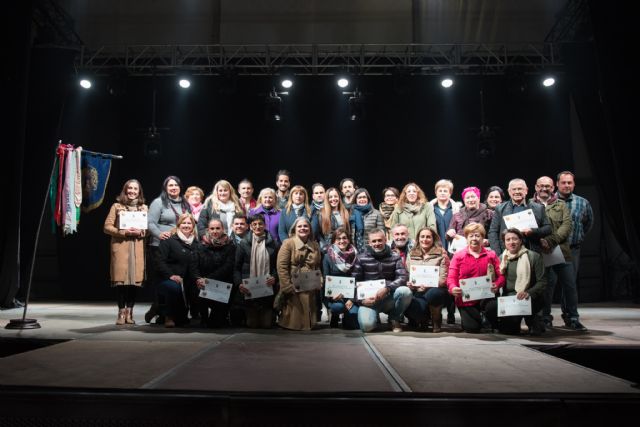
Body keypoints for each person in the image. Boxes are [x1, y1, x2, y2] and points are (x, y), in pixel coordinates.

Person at [533, 176, 586, 331]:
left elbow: (567, 225)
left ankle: (573, 318)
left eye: (548, 186)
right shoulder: (530, 205)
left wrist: (551, 241)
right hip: (539, 253)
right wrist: (541, 241)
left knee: (569, 285)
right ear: (536, 187)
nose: (544, 188)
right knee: (546, 287)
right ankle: (545, 318)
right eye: (541, 185)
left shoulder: (561, 204)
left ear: (553, 187)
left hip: (561, 251)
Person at [145, 175, 191, 323]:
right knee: (163, 280)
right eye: (170, 185)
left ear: (180, 187)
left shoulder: (185, 203)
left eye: (176, 185)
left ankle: (161, 309)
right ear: (165, 188)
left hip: (179, 248)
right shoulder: (158, 203)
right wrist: (159, 234)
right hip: (160, 246)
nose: (173, 188)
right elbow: (150, 223)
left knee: (176, 282)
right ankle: (161, 312)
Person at [484, 228, 547, 335]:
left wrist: (528, 293)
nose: (511, 242)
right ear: (504, 242)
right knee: (492, 310)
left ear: (521, 240)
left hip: (529, 297)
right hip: (509, 300)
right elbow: (498, 280)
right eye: (508, 240)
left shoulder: (534, 256)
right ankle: (508, 323)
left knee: (537, 331)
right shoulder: (501, 259)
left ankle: (533, 319)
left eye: (515, 239)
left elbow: (542, 281)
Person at [103, 179, 147, 325]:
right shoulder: (117, 206)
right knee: (121, 282)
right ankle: (121, 313)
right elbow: (107, 227)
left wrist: (142, 231)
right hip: (121, 248)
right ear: (125, 190)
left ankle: (130, 312)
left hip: (137, 249)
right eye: (130, 188)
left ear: (139, 192)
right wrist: (123, 232)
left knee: (134, 282)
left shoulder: (144, 208)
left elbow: (147, 230)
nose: (132, 191)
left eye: (135, 189)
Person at [447, 223, 505, 333]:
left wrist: (497, 285)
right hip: (466, 299)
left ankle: (489, 318)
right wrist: (453, 288)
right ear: (466, 238)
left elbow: (501, 276)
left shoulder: (491, 255)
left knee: (493, 307)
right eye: (471, 236)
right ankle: (481, 320)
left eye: (478, 236)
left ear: (483, 238)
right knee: (472, 328)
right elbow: (451, 277)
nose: (474, 239)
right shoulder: (458, 256)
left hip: (486, 296)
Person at [352, 229, 412, 333]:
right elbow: (353, 283)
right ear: (369, 243)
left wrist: (387, 288)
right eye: (374, 241)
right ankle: (373, 317)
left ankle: (394, 318)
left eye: (380, 240)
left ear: (385, 240)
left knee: (405, 292)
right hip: (369, 300)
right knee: (367, 327)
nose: (377, 243)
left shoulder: (395, 257)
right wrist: (361, 301)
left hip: (388, 297)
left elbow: (402, 277)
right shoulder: (361, 258)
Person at [276, 217, 322, 330]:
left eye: (306, 226)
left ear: (310, 229)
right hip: (294, 285)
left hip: (310, 284)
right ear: (294, 229)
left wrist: (319, 280)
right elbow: (281, 266)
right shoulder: (288, 243)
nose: (303, 228)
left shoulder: (315, 245)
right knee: (295, 319)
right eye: (300, 226)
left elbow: (317, 265)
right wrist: (286, 285)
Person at [235, 214, 279, 328]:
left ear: (265, 225)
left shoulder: (273, 243)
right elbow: (237, 267)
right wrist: (239, 283)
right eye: (254, 224)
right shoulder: (243, 244)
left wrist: (274, 277)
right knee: (252, 325)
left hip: (267, 288)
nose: (258, 226)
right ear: (250, 226)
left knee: (266, 325)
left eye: (260, 224)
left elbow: (277, 266)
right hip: (249, 288)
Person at [155, 213, 199, 327]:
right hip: (169, 279)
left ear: (193, 226)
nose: (186, 225)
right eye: (183, 223)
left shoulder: (196, 244)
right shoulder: (169, 240)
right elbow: (160, 261)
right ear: (179, 225)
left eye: (189, 223)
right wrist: (171, 275)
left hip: (188, 280)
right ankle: (167, 316)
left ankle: (195, 315)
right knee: (174, 287)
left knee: (182, 320)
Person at [488, 178, 552, 255]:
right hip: (507, 253)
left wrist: (533, 231)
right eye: (514, 189)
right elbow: (493, 232)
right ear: (509, 191)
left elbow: (548, 228)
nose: (517, 192)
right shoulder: (500, 209)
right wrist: (498, 254)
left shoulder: (539, 208)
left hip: (531, 252)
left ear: (526, 190)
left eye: (520, 189)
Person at [404, 227, 450, 332]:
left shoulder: (442, 254)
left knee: (434, 294)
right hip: (417, 289)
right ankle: (423, 319)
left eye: (428, 237)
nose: (425, 239)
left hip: (436, 289)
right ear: (418, 239)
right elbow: (407, 273)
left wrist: (429, 285)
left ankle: (436, 320)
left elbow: (444, 278)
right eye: (422, 237)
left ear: (433, 239)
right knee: (412, 305)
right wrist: (410, 283)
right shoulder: (411, 254)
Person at [192, 218, 236, 328]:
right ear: (208, 230)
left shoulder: (230, 246)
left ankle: (221, 315)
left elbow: (227, 267)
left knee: (216, 324)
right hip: (202, 282)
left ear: (223, 229)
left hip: (222, 283)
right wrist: (198, 278)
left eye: (218, 228)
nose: (215, 231)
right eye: (212, 228)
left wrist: (208, 279)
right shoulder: (200, 246)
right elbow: (194, 266)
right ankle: (203, 317)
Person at [556, 171, 594, 283]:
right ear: (557, 184)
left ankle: (567, 302)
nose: (567, 185)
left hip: (573, 249)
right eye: (563, 182)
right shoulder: (549, 201)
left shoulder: (583, 202)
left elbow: (588, 223)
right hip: (553, 249)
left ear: (574, 184)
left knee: (570, 282)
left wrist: (578, 236)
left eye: (569, 182)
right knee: (551, 283)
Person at [322, 228, 359, 329]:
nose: (342, 241)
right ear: (334, 241)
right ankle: (335, 314)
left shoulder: (356, 256)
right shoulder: (327, 257)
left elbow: (358, 279)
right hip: (334, 296)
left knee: (352, 326)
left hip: (351, 295)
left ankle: (346, 318)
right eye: (338, 238)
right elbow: (325, 279)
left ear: (349, 240)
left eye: (344, 238)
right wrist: (331, 295)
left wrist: (352, 299)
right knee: (338, 307)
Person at [447, 186, 494, 251]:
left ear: (479, 198)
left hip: (482, 250)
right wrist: (450, 232)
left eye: (473, 197)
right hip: (461, 250)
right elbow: (449, 233)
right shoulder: (457, 215)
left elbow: (495, 233)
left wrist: (488, 241)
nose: (470, 200)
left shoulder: (489, 213)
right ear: (464, 200)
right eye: (467, 198)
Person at [312, 187, 351, 253]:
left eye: (335, 196)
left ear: (339, 198)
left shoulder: (345, 212)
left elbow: (348, 232)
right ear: (327, 199)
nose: (333, 199)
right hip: (329, 250)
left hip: (344, 249)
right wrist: (325, 248)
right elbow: (318, 234)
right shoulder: (321, 213)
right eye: (330, 197)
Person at [430, 179, 462, 253]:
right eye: (440, 191)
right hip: (435, 246)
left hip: (453, 246)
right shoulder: (430, 209)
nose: (442, 193)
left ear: (450, 193)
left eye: (445, 191)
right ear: (436, 193)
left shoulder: (457, 209)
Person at [351, 188, 385, 253]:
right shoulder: (352, 213)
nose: (362, 199)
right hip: (356, 249)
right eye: (359, 198)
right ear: (355, 200)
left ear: (368, 199)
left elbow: (382, 234)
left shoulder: (376, 213)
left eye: (364, 197)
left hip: (373, 249)